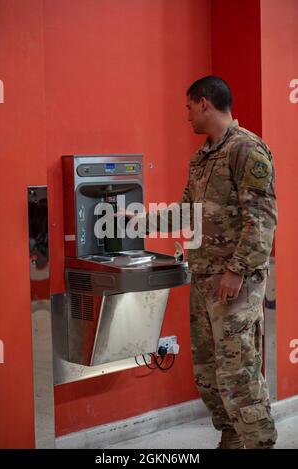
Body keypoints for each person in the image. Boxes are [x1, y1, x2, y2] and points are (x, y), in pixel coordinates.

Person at [123, 76, 278, 449]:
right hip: (206, 281)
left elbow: (262, 220)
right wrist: (139, 220)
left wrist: (235, 271)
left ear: (204, 103)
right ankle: (232, 437)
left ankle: (259, 442)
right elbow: (185, 214)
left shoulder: (247, 150)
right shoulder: (202, 158)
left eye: (189, 107)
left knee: (239, 373)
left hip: (234, 286)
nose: (187, 116)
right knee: (209, 373)